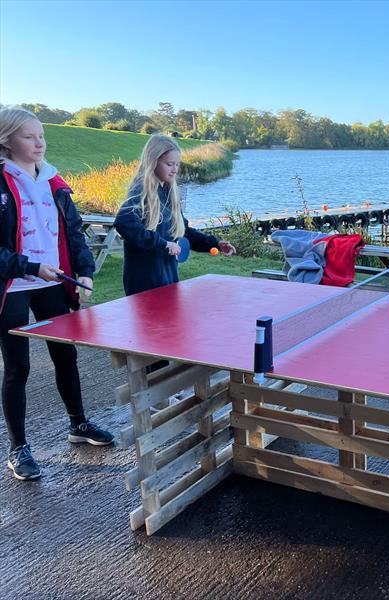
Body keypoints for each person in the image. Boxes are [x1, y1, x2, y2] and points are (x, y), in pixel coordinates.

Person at [0, 108, 113, 481]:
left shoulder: (53, 181)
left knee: (66, 357)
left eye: (41, 136)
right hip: (13, 286)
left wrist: (85, 272)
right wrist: (29, 267)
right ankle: (18, 448)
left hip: (54, 283)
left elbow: (75, 232)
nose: (39, 143)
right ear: (6, 140)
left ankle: (78, 425)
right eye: (29, 136)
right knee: (18, 368)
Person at [114, 134, 236, 298]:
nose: (175, 169)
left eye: (177, 164)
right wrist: (163, 244)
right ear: (153, 161)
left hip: (169, 280)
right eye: (169, 164)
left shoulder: (169, 194)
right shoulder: (141, 190)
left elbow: (183, 231)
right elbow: (123, 222)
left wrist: (214, 243)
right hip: (144, 282)